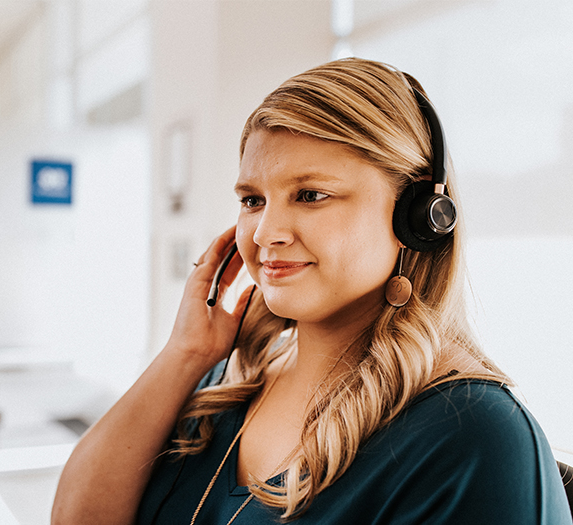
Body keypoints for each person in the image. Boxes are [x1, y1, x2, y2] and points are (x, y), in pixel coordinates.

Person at [51, 58, 572, 524]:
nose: (264, 233)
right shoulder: (228, 379)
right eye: (252, 200)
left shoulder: (475, 436)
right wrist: (185, 354)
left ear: (417, 217)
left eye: (310, 195)